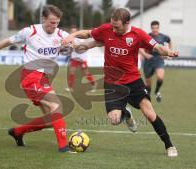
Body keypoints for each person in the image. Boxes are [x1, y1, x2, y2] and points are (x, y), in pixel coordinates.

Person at [63, 8, 178, 157]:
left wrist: (168, 52)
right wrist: (72, 36)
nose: (114, 29)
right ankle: (126, 114)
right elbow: (87, 34)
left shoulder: (138, 34)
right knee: (114, 120)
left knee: (149, 113)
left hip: (133, 80)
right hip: (112, 83)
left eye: (117, 26)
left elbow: (157, 47)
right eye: (112, 25)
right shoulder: (107, 29)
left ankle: (169, 145)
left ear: (127, 23)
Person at [0, 5, 73, 153]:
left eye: (57, 22)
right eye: (51, 22)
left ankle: (17, 132)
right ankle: (64, 147)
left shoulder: (61, 34)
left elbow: (78, 45)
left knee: (51, 120)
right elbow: (6, 42)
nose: (54, 26)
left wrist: (75, 42)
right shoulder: (30, 32)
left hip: (44, 80)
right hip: (30, 77)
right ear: (43, 18)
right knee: (57, 107)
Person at [140, 21, 172, 102]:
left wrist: (169, 52)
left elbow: (170, 41)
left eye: (156, 28)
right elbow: (140, 46)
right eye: (153, 28)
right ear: (151, 28)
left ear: (158, 28)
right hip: (149, 60)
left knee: (160, 77)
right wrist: (144, 54)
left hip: (158, 59)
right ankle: (148, 98)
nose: (155, 30)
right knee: (148, 84)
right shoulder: (147, 36)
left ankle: (157, 91)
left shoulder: (163, 37)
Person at [65, 26, 97, 93]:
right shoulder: (69, 39)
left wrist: (75, 47)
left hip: (82, 59)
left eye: (74, 31)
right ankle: (70, 88)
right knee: (71, 72)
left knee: (86, 73)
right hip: (75, 59)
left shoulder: (80, 40)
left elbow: (82, 48)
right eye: (72, 31)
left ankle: (94, 84)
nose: (73, 33)